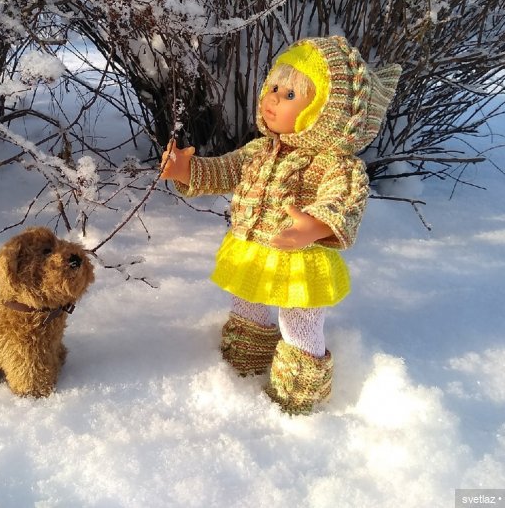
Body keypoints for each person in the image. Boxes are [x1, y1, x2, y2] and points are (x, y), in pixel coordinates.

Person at [161, 36, 401, 414]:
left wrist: (318, 224)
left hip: (299, 258)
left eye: (290, 95)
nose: (272, 98)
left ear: (328, 113)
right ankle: (248, 354)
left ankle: (299, 386)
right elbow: (225, 170)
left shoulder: (335, 163)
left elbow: (345, 198)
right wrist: (187, 169)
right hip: (253, 250)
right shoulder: (260, 149)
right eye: (273, 87)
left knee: (299, 319)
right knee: (247, 301)